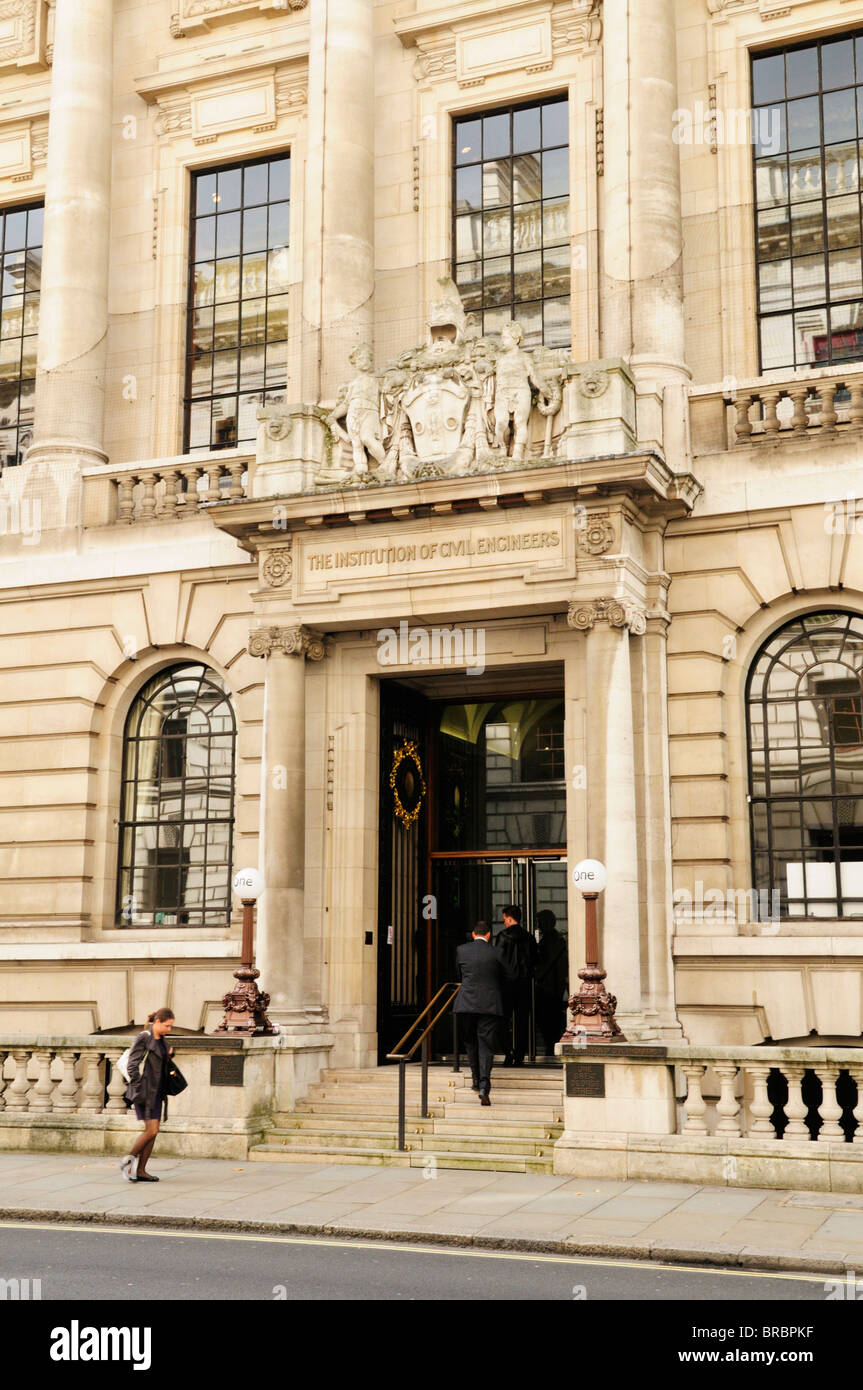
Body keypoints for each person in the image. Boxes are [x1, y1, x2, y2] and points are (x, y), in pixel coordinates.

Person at [454, 920, 513, 1105]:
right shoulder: (497, 952)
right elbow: (509, 976)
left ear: (473, 934)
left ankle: (474, 1079)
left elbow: (459, 974)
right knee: (486, 1045)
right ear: (489, 934)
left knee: (470, 1042)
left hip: (465, 1003)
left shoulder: (461, 950)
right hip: (490, 1004)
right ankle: (484, 1085)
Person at [120, 1007, 175, 1183]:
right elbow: (132, 1065)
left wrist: (170, 1054)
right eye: (167, 1025)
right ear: (157, 1022)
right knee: (152, 1130)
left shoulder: (163, 1041)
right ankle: (128, 1162)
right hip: (145, 1092)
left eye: (171, 1026)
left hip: (158, 1093)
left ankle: (142, 1170)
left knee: (153, 1133)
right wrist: (138, 1087)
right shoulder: (144, 1037)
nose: (169, 1029)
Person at [495, 903, 537, 1066]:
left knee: (501, 1020)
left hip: (506, 984)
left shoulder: (503, 936)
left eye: (505, 919)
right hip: (524, 983)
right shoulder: (529, 937)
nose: (504, 922)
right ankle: (519, 1055)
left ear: (510, 918)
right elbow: (534, 959)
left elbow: (497, 960)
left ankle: (508, 1052)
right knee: (522, 1022)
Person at [534, 909, 568, 1055]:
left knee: (548, 1019)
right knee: (550, 1019)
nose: (538, 924)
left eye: (539, 921)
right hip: (553, 985)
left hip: (549, 986)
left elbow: (548, 961)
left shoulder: (550, 938)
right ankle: (551, 1044)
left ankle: (550, 1046)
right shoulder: (554, 938)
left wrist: (538, 974)